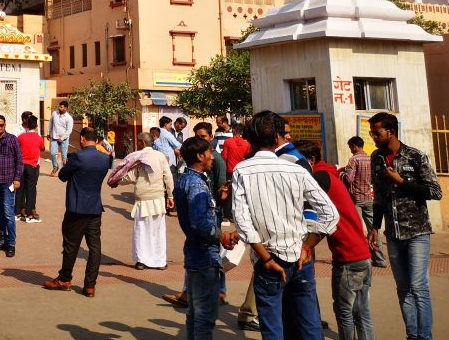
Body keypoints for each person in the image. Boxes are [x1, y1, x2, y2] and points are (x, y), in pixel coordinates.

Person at [230, 111, 339, 340]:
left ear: (251, 138)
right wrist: (307, 246)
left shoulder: (243, 169)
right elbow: (330, 214)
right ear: (279, 137)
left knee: (273, 328)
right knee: (308, 324)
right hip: (299, 257)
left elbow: (242, 221)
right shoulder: (297, 169)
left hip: (269, 259)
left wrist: (266, 258)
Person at [368, 111, 441, 340]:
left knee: (418, 287)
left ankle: (424, 336)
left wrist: (402, 182)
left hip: (417, 232)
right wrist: (374, 226)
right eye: (371, 133)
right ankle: (412, 334)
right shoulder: (376, 158)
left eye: (377, 132)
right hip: (393, 234)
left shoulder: (415, 157)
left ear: (390, 132)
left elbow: (435, 192)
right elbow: (378, 195)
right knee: (403, 289)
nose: (373, 137)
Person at [297, 142, 376, 340]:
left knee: (344, 312)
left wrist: (306, 246)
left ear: (311, 160)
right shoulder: (331, 175)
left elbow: (324, 220)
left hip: (348, 257)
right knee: (361, 312)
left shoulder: (319, 178)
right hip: (361, 254)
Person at [175, 136, 239, 339]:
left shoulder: (187, 179)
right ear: (200, 156)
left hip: (195, 252)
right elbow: (201, 223)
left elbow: (201, 215)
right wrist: (223, 236)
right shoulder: (196, 185)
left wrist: (218, 202)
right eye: (210, 153)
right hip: (204, 255)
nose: (213, 157)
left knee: (195, 313)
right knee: (204, 316)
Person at [42, 127, 111, 297]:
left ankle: (65, 278)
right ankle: (90, 285)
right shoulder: (104, 159)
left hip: (77, 208)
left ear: (81, 139)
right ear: (96, 140)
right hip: (95, 207)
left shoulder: (78, 157)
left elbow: (63, 176)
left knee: (71, 245)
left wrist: (68, 166)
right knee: (95, 247)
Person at [120, 131, 174, 270]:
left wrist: (116, 181)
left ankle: (141, 261)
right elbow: (168, 176)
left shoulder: (139, 157)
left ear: (142, 143)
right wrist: (170, 196)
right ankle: (160, 261)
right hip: (157, 198)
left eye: (138, 142)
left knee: (142, 230)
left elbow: (130, 177)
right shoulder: (160, 156)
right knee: (158, 230)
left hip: (142, 198)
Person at [340, 136, 387, 267]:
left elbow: (348, 179)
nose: (350, 150)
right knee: (373, 230)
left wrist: (342, 173)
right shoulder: (370, 158)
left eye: (350, 147)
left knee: (356, 230)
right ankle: (380, 259)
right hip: (369, 198)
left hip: (357, 200)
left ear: (355, 146)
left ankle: (359, 258)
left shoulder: (354, 159)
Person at [0, 114, 22, 257]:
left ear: (5, 125)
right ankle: (2, 240)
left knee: (8, 214)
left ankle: (11, 243)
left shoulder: (12, 139)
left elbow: (19, 160)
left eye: (1, 125)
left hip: (8, 182)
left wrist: (17, 178)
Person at [16, 114, 43, 223]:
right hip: (32, 166)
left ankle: (17, 213)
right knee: (31, 190)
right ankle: (29, 214)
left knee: (20, 190)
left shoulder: (21, 136)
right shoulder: (39, 138)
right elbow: (43, 148)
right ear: (36, 127)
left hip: (21, 165)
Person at [48, 100, 74, 177]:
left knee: (64, 156)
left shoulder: (69, 118)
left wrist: (62, 138)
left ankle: (64, 171)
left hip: (64, 139)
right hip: (55, 137)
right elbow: (50, 123)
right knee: (52, 153)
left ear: (65, 108)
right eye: (59, 106)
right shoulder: (54, 113)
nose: (59, 108)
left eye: (61, 107)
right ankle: (55, 167)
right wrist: (48, 132)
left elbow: (69, 130)